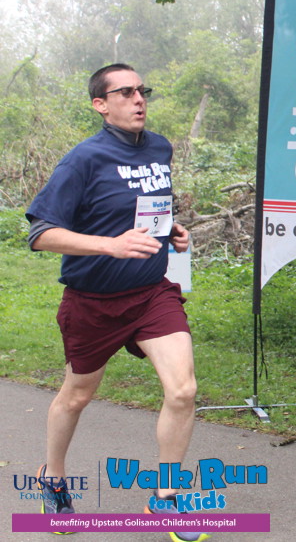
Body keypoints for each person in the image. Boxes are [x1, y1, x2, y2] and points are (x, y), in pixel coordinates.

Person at [26, 63, 208, 542]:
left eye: (141, 90)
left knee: (183, 390)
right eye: (125, 92)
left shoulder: (160, 147)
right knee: (77, 396)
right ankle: (53, 478)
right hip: (93, 301)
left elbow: (145, 210)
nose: (138, 99)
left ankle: (166, 497)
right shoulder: (83, 159)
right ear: (100, 105)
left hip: (151, 293)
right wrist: (110, 245)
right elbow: (41, 234)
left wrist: (172, 232)